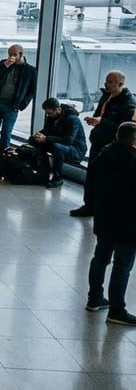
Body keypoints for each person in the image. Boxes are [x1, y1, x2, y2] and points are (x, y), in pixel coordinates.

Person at [85, 122, 136, 325]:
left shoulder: (103, 155)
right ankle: (117, 309)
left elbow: (91, 184)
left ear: (117, 135)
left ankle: (94, 297)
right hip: (129, 223)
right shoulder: (133, 161)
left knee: (101, 257)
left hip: (105, 217)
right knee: (122, 265)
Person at [74, 71, 136, 217]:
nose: (106, 85)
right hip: (99, 140)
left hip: (110, 145)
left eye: (110, 82)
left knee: (104, 177)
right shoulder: (107, 96)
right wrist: (95, 120)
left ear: (120, 84)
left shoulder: (128, 103)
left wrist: (102, 122)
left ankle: (99, 207)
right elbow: (100, 114)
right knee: (92, 174)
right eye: (106, 81)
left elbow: (124, 128)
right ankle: (89, 205)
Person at [0, 44, 37, 167]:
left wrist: (22, 104)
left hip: (12, 106)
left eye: (14, 55)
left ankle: (3, 156)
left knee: (6, 132)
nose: (11, 57)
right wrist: (4, 66)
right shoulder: (4, 63)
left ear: (21, 55)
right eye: (9, 54)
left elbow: (32, 90)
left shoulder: (30, 71)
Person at [31, 98, 87, 189]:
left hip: (76, 150)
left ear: (58, 109)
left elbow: (69, 140)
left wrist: (46, 138)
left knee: (57, 147)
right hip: (61, 144)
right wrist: (38, 136)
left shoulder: (72, 119)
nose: (48, 115)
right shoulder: (51, 117)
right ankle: (40, 172)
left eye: (50, 113)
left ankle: (58, 178)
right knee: (35, 140)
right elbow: (47, 131)